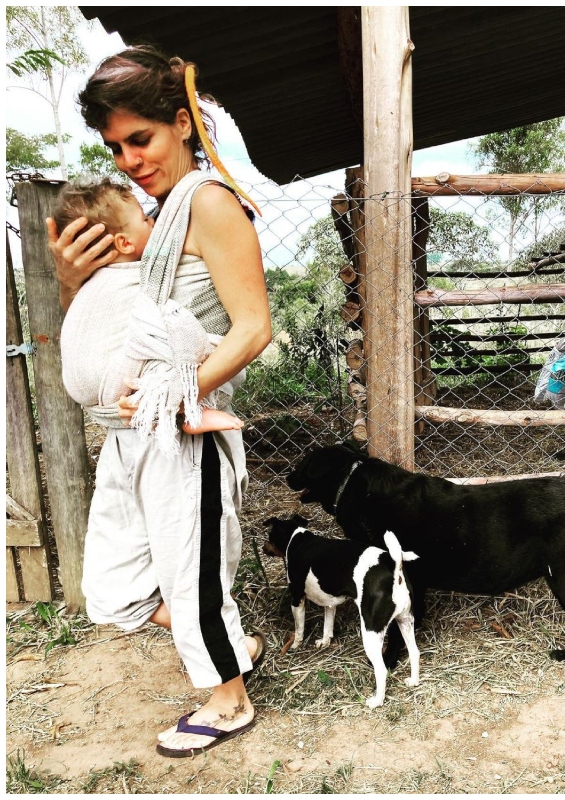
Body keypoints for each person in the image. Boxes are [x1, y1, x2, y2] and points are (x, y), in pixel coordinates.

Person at [46, 45, 272, 758]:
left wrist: (180, 393)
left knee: (187, 563)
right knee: (114, 587)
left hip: (184, 429)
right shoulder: (152, 217)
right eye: (115, 147)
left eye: (139, 139)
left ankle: (228, 699)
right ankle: (225, 637)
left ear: (181, 123)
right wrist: (71, 283)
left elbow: (253, 328)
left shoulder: (206, 202)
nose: (128, 159)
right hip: (133, 432)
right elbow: (108, 332)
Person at [54, 178, 244, 439]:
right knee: (168, 334)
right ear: (125, 244)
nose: (153, 221)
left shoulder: (91, 282)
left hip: (82, 383)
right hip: (115, 382)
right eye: (145, 219)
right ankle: (190, 410)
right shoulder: (136, 275)